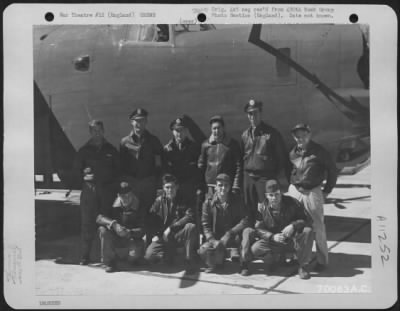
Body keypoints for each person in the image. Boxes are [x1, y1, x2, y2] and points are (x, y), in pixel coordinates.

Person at [287, 123, 338, 271]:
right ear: (294, 137)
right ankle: (298, 257)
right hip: (296, 191)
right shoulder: (293, 153)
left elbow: (332, 171)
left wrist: (327, 190)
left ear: (309, 135)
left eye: (303, 135)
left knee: (318, 226)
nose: (300, 138)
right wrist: (292, 186)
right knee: (295, 225)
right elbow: (288, 170)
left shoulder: (319, 152)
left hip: (312, 191)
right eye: (297, 135)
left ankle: (322, 260)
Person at [241, 179, 314, 279]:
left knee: (307, 231)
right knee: (256, 249)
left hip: (291, 240)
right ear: (266, 195)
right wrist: (272, 236)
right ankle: (274, 260)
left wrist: (293, 225)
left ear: (281, 193)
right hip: (274, 241)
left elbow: (307, 220)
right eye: (271, 195)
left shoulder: (292, 202)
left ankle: (303, 266)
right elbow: (258, 228)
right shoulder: (262, 208)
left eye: (277, 194)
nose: (274, 198)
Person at [74, 120, 119, 265]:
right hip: (89, 192)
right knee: (87, 224)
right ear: (90, 132)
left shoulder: (111, 150)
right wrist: (83, 176)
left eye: (99, 130)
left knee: (105, 224)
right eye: (94, 131)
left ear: (103, 131)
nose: (97, 133)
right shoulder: (83, 151)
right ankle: (84, 256)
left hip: (106, 192)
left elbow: (118, 172)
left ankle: (106, 258)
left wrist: (114, 191)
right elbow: (75, 171)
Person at [241, 99, 291, 224]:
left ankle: (269, 236)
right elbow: (243, 157)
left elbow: (281, 157)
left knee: (267, 209)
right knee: (249, 209)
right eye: (250, 114)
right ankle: (252, 234)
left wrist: (274, 177)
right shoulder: (245, 135)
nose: (253, 116)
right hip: (248, 178)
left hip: (264, 177)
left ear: (260, 113)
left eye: (255, 113)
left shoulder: (271, 134)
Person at [120, 108, 165, 242]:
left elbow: (159, 165)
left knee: (150, 214)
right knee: (132, 215)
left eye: (142, 121)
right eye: (136, 121)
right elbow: (122, 166)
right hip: (132, 185)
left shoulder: (154, 141)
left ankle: (150, 243)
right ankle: (134, 247)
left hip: (148, 184)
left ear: (146, 122)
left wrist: (158, 185)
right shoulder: (124, 142)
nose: (139, 124)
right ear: (131, 122)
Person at [144, 174, 198, 274]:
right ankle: (168, 254)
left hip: (177, 234)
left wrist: (171, 228)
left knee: (191, 227)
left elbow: (190, 216)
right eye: (167, 187)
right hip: (163, 236)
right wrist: (155, 234)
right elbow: (150, 219)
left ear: (177, 187)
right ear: (163, 188)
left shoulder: (185, 199)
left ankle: (188, 260)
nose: (170, 190)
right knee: (149, 256)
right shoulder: (159, 200)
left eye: (172, 187)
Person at [198, 173, 249, 273]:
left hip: (233, 236)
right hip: (217, 237)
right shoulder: (208, 203)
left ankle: (244, 264)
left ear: (230, 187)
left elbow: (245, 220)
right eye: (220, 185)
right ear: (215, 187)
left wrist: (230, 233)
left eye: (226, 185)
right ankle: (219, 260)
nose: (223, 188)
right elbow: (205, 225)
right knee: (203, 250)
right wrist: (212, 241)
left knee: (246, 233)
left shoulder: (237, 200)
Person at [97, 182, 146, 273]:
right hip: (116, 236)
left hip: (132, 238)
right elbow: (99, 218)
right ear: (118, 195)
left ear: (132, 194)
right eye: (123, 196)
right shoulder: (112, 203)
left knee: (133, 259)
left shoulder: (140, 205)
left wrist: (129, 232)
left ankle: (131, 257)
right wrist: (114, 224)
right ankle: (109, 262)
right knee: (102, 230)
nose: (126, 198)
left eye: (128, 195)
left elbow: (143, 229)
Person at [198, 115, 242, 197]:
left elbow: (238, 167)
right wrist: (200, 186)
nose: (216, 131)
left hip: (225, 186)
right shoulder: (205, 145)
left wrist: (235, 186)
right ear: (211, 129)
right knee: (211, 208)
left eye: (219, 128)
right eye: (214, 128)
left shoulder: (232, 145)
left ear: (223, 128)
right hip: (210, 187)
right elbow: (201, 165)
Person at [164, 117, 202, 205]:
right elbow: (165, 171)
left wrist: (198, 187)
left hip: (190, 189)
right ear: (172, 132)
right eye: (177, 131)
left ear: (186, 131)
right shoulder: (167, 150)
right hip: (174, 190)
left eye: (182, 130)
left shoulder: (194, 148)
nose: (179, 134)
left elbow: (199, 170)